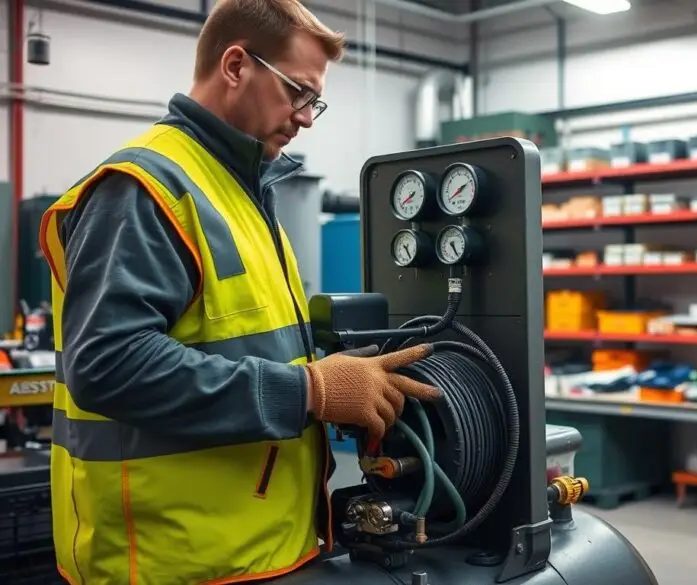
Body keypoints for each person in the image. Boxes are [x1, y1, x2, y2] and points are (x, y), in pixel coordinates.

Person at [38, 1, 442, 583]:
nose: (307, 117)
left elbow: (238, 344)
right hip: (169, 562)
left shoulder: (243, 192)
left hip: (250, 550)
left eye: (315, 102)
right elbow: (108, 365)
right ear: (235, 66)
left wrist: (332, 378)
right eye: (299, 92)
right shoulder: (146, 189)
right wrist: (307, 390)